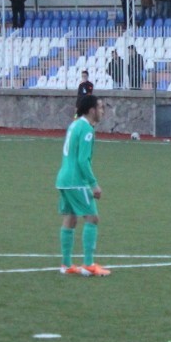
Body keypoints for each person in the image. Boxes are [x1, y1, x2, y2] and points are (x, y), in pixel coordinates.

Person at [56, 95, 110, 277]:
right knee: (92, 218)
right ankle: (88, 264)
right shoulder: (87, 129)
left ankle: (66, 265)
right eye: (100, 107)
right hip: (76, 181)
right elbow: (82, 160)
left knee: (70, 219)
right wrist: (94, 185)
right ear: (91, 110)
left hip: (63, 180)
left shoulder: (74, 125)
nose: (102, 111)